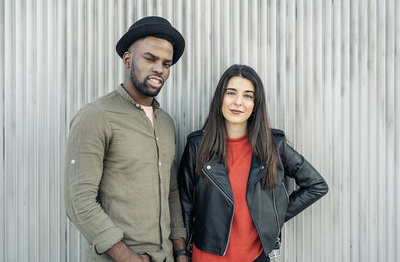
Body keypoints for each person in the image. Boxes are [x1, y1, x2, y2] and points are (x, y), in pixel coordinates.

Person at [64, 16, 188, 262]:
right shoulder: (96, 116)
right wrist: (127, 257)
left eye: (166, 63)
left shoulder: (166, 123)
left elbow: (171, 190)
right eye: (150, 58)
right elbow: (78, 201)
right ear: (128, 59)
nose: (159, 69)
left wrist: (180, 250)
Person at [178, 64, 329, 262]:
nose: (238, 102)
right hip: (206, 255)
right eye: (231, 92)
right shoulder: (197, 146)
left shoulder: (275, 146)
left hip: (255, 257)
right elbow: (185, 205)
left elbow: (316, 185)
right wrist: (183, 252)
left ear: (255, 104)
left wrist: (273, 216)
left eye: (248, 95)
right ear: (220, 99)